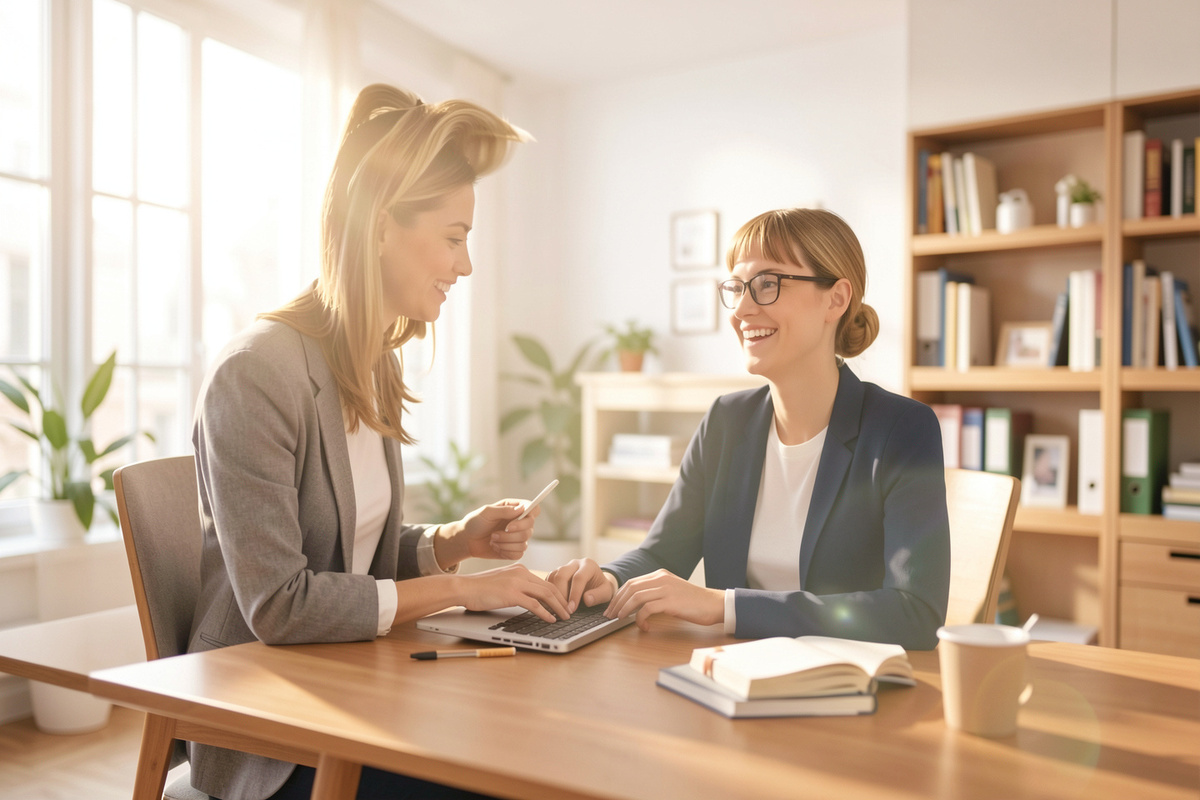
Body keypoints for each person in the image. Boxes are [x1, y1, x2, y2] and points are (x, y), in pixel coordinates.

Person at [188, 83, 568, 800]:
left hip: (350, 683)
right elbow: (282, 604)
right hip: (271, 723)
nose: (465, 266)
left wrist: (458, 540)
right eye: (454, 238)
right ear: (382, 226)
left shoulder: (368, 361)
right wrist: (458, 588)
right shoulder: (257, 372)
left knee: (528, 745)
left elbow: (351, 556)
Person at [549, 208, 950, 651]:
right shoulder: (726, 421)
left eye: (767, 284)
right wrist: (609, 579)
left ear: (835, 300)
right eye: (737, 288)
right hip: (732, 677)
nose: (741, 310)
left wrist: (727, 607)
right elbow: (663, 553)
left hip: (846, 690)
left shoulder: (900, 430)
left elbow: (915, 612)